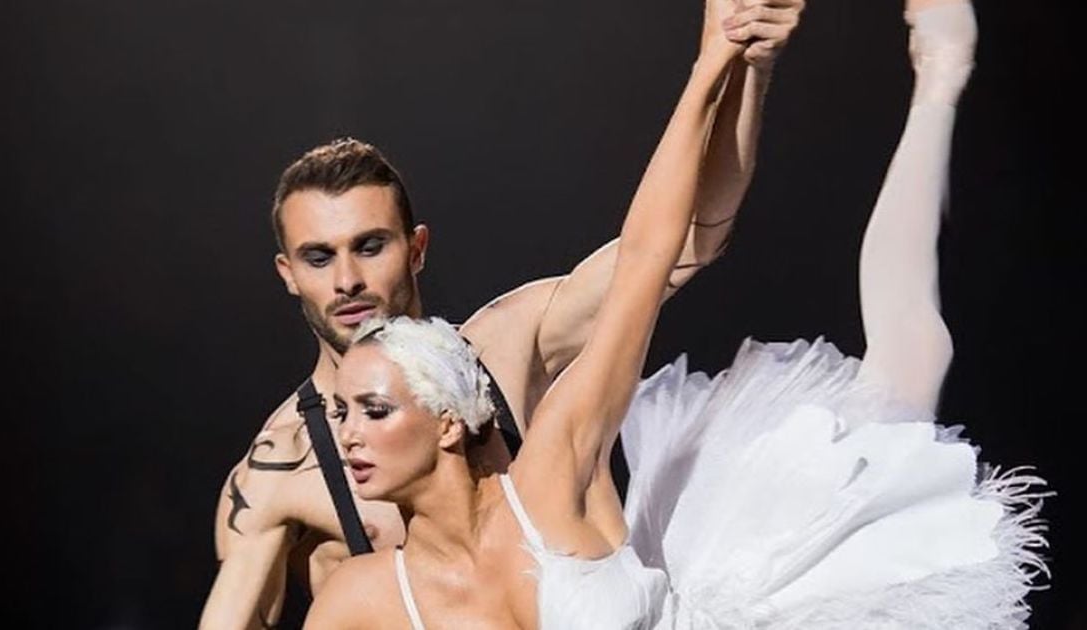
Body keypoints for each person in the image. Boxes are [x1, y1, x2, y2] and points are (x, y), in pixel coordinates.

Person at [304, 0, 1049, 627]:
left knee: (909, 370)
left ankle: (939, 76)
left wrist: (714, 62)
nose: (348, 435)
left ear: (446, 422)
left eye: (373, 410)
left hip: (730, 600)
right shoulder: (361, 598)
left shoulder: (550, 475)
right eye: (342, 413)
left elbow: (647, 258)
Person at [201, 2, 806, 626]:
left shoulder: (512, 349)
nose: (348, 279)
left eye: (371, 245)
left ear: (416, 249)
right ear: (288, 273)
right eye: (319, 256)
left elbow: (675, 243)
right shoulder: (279, 474)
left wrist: (744, 64)